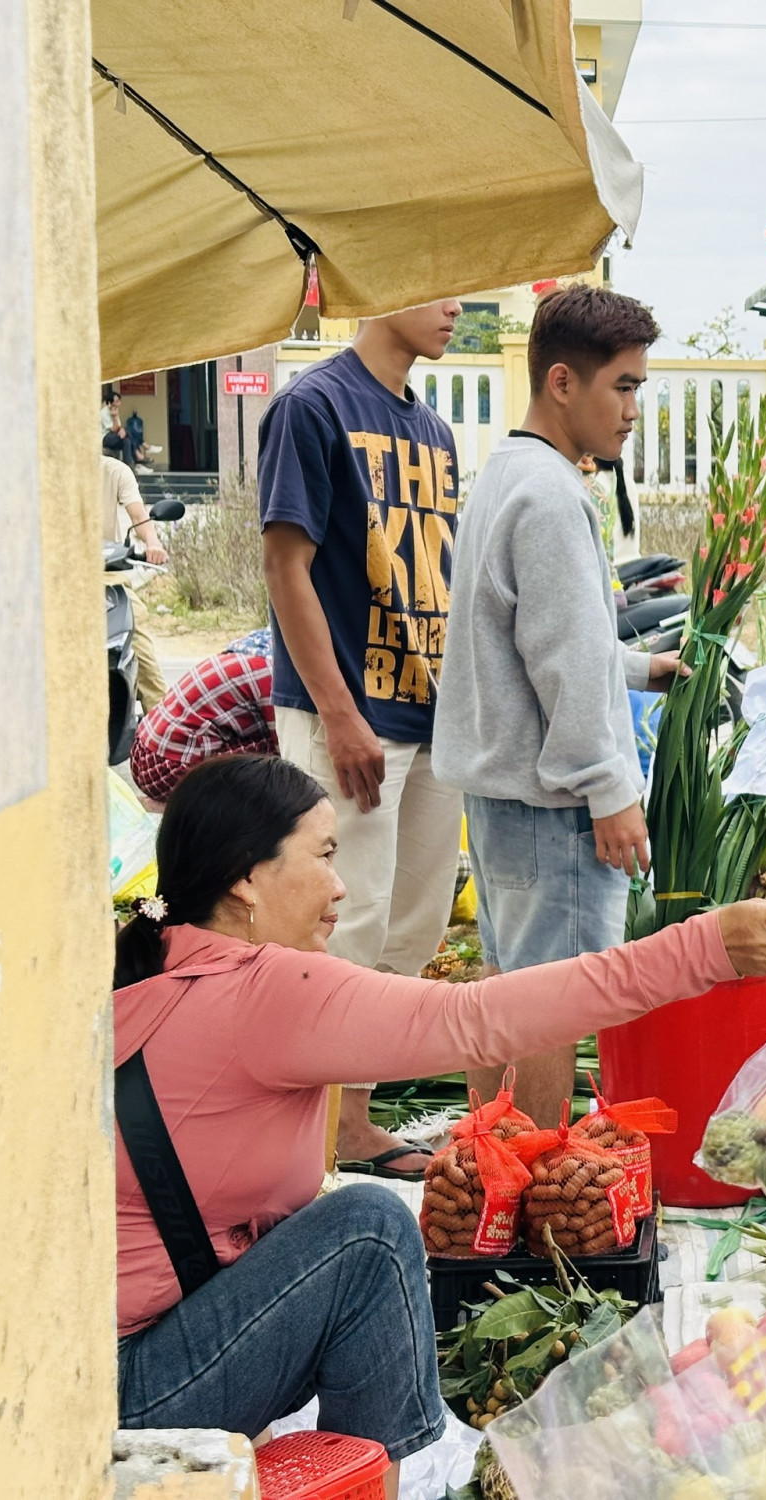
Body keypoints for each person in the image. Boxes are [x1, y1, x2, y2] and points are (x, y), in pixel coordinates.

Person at [112, 754, 766, 1489]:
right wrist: (705, 948)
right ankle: (366, 1483)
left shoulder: (151, 967)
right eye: (325, 855)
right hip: (141, 1390)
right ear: (244, 878)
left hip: (115, 1366)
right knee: (368, 1228)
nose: (340, 886)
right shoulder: (265, 990)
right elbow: (479, 1019)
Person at [434, 284, 681, 1129]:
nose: (634, 410)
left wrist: (645, 667)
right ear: (564, 383)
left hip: (503, 795)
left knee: (507, 999)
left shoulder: (506, 472)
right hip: (554, 803)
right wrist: (608, 789)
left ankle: (492, 1186)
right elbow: (564, 662)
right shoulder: (550, 497)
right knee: (552, 1009)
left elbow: (533, 640)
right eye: (624, 386)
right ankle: (535, 1198)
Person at [259, 298, 466, 1180]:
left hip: (431, 710)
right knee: (342, 921)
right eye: (442, 284)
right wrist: (339, 712)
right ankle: (304, 1136)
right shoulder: (312, 407)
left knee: (412, 925)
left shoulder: (437, 432)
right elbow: (283, 564)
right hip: (347, 712)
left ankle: (356, 1121)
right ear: (384, 287)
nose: (459, 305)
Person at [129, 630, 277, 804]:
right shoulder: (271, 673)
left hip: (142, 751)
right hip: (165, 770)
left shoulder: (253, 647)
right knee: (277, 753)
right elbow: (287, 744)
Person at [103, 453, 168, 712]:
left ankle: (162, 726)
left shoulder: (115, 471)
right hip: (57, 580)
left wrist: (152, 542)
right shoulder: (47, 470)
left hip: (108, 575)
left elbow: (138, 515)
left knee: (138, 641)